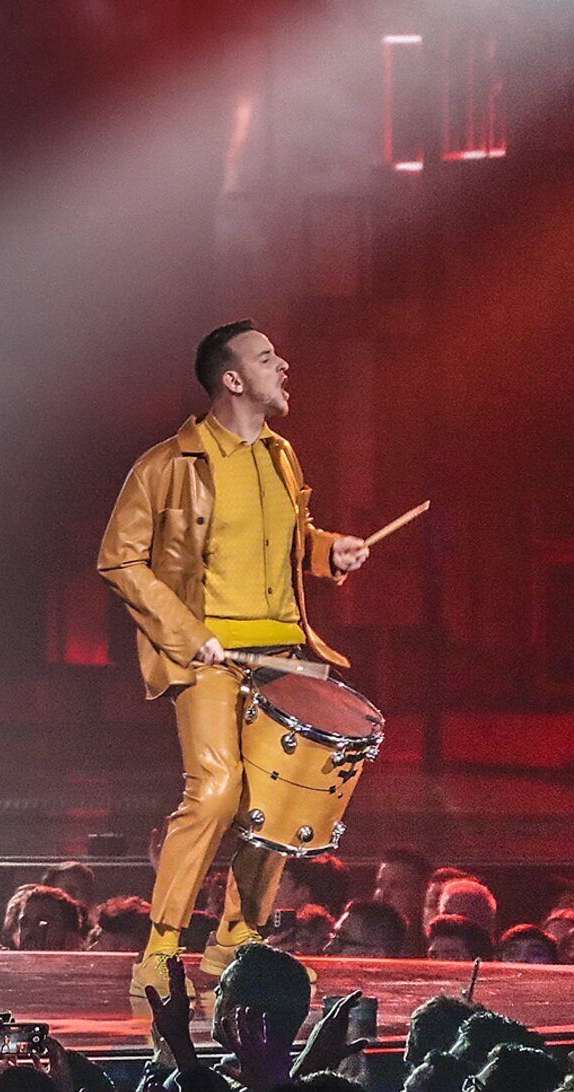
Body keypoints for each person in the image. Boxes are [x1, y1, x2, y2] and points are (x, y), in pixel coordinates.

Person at [97, 320, 370, 999]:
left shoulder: (282, 455)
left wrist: (325, 550)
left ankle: (235, 945)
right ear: (232, 378)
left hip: (281, 653)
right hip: (210, 655)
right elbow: (119, 559)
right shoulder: (168, 464)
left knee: (273, 801)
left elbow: (290, 535)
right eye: (267, 357)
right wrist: (187, 632)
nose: (284, 365)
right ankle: (160, 951)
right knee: (215, 789)